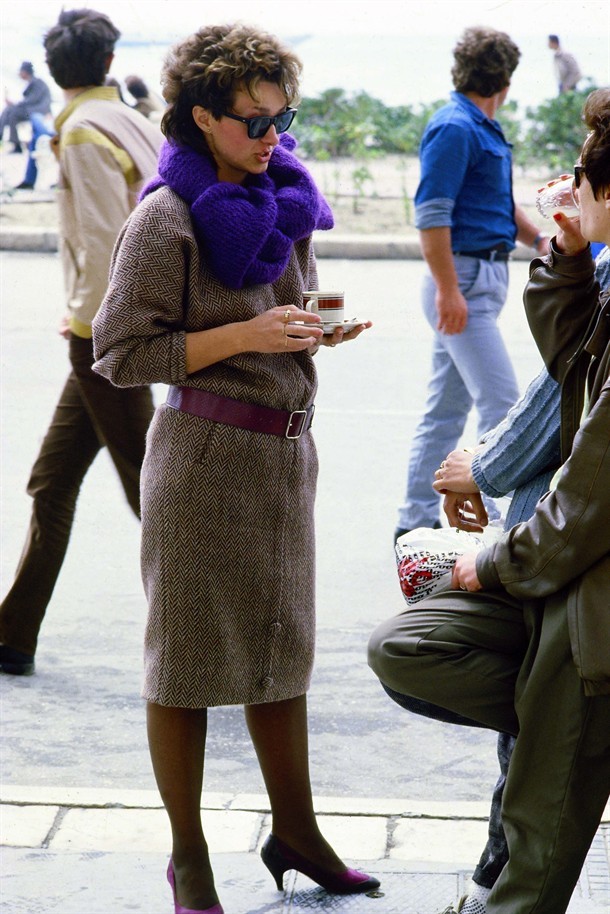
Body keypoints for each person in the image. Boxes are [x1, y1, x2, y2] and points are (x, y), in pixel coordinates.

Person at [91, 22, 376, 914]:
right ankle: (189, 861)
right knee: (183, 669)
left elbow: (284, 313)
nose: (272, 137)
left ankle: (298, 834)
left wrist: (314, 330)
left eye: (283, 118)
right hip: (203, 462)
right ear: (203, 118)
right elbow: (119, 353)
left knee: (281, 655)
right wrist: (248, 335)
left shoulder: (284, 196)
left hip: (285, 457)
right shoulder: (164, 217)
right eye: (254, 122)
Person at [369, 87, 610, 914]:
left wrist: (491, 558)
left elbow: (585, 494)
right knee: (409, 647)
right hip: (561, 572)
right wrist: (568, 255)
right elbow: (570, 367)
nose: (566, 187)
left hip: (584, 587)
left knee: (537, 836)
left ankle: (569, 741)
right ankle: (569, 733)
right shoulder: (602, 275)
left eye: (582, 176)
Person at [0, 9, 162, 676]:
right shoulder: (129, 119)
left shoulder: (83, 131)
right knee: (52, 480)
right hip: (112, 326)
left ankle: (217, 633)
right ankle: (12, 635)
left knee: (152, 495)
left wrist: (90, 325)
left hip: (104, 335)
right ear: (107, 62)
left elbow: (103, 241)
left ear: (53, 67)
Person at [395, 27, 550, 541]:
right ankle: (508, 530)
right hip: (461, 280)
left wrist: (539, 240)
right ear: (505, 80)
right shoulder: (455, 127)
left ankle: (412, 521)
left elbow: (497, 204)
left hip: (477, 278)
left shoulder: (480, 126)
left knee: (444, 413)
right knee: (504, 408)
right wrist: (448, 290)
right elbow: (432, 213)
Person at [0, 61, 51, 153]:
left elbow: (33, 100)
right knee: (9, 110)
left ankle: (13, 142)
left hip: (38, 110)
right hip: (32, 110)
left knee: (12, 112)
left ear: (25, 72)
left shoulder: (37, 82)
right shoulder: (33, 83)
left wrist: (15, 104)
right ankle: (5, 136)